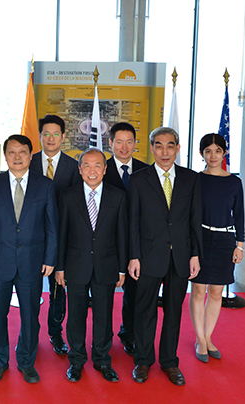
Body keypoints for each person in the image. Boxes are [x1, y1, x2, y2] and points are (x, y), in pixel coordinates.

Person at [0, 134, 59, 384]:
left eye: (22, 152)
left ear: (30, 155)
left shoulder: (45, 185)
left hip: (32, 261)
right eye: (11, 152)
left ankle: (26, 361)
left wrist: (50, 258)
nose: (17, 157)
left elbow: (52, 227)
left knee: (30, 315)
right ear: (5, 156)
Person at [127, 127, 202, 386]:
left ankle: (169, 362)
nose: (164, 151)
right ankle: (143, 360)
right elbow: (132, 222)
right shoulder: (138, 180)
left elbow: (195, 220)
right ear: (152, 149)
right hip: (148, 256)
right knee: (144, 310)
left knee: (173, 311)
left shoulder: (191, 179)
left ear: (178, 148)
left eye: (170, 145)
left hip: (180, 256)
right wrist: (133, 256)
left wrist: (195, 254)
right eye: (159, 146)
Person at [56, 148, 128, 383]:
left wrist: (122, 268)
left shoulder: (118, 196)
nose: (92, 170)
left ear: (105, 169)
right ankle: (76, 360)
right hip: (76, 265)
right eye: (87, 165)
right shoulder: (68, 196)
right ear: (79, 170)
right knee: (75, 315)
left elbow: (122, 235)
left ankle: (102, 359)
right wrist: (59, 267)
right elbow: (62, 234)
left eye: (97, 165)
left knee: (103, 315)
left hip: (107, 266)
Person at [189, 133, 244, 362]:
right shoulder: (195, 180)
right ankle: (200, 339)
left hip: (224, 241)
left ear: (224, 153)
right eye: (208, 151)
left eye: (218, 151)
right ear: (201, 154)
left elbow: (239, 215)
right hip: (200, 238)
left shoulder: (234, 182)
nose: (213, 156)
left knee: (215, 292)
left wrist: (240, 245)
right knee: (198, 290)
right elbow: (190, 215)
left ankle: (208, 336)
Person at [30, 114, 80, 356]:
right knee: (30, 289)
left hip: (61, 240)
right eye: (46, 134)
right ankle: (29, 335)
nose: (50, 139)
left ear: (63, 137)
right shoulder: (28, 161)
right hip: (31, 239)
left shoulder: (73, 166)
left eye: (55, 134)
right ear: (40, 136)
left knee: (58, 289)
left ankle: (56, 333)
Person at [104, 122, 149, 355]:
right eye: (119, 142)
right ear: (110, 143)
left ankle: (129, 333)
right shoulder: (100, 169)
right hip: (107, 243)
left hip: (136, 244)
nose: (124, 147)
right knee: (104, 295)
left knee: (134, 293)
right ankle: (102, 340)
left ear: (135, 143)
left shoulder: (146, 170)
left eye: (129, 142)